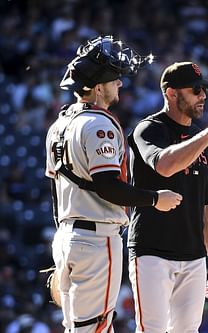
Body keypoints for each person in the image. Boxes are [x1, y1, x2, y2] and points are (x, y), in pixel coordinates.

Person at [45, 35, 182, 332]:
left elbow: (55, 191)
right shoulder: (98, 124)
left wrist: (65, 243)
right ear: (97, 88)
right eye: (113, 79)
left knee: (76, 327)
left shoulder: (59, 124)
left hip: (67, 235)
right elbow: (108, 186)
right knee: (96, 327)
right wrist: (155, 199)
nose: (119, 83)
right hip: (96, 239)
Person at [127, 61, 208, 333]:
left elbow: (207, 202)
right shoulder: (149, 129)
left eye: (204, 89)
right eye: (195, 90)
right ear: (171, 93)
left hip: (193, 255)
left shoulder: (200, 137)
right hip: (151, 250)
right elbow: (165, 166)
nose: (203, 95)